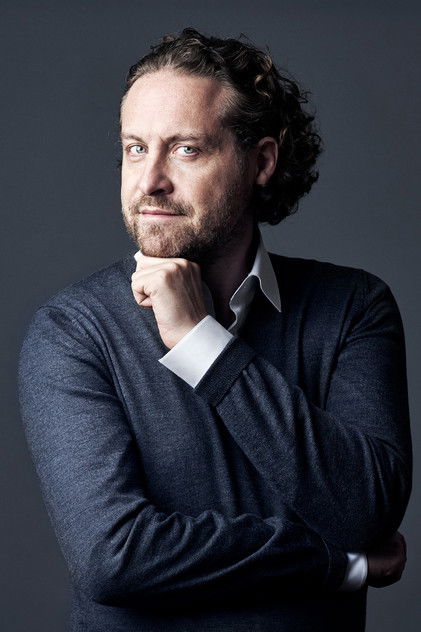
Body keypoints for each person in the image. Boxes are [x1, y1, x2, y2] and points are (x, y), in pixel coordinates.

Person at [18, 27, 411, 632]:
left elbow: (363, 511)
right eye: (135, 148)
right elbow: (115, 558)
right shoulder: (74, 331)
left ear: (262, 161)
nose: (149, 181)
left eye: (186, 149)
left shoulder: (353, 308)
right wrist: (335, 565)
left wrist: (201, 341)